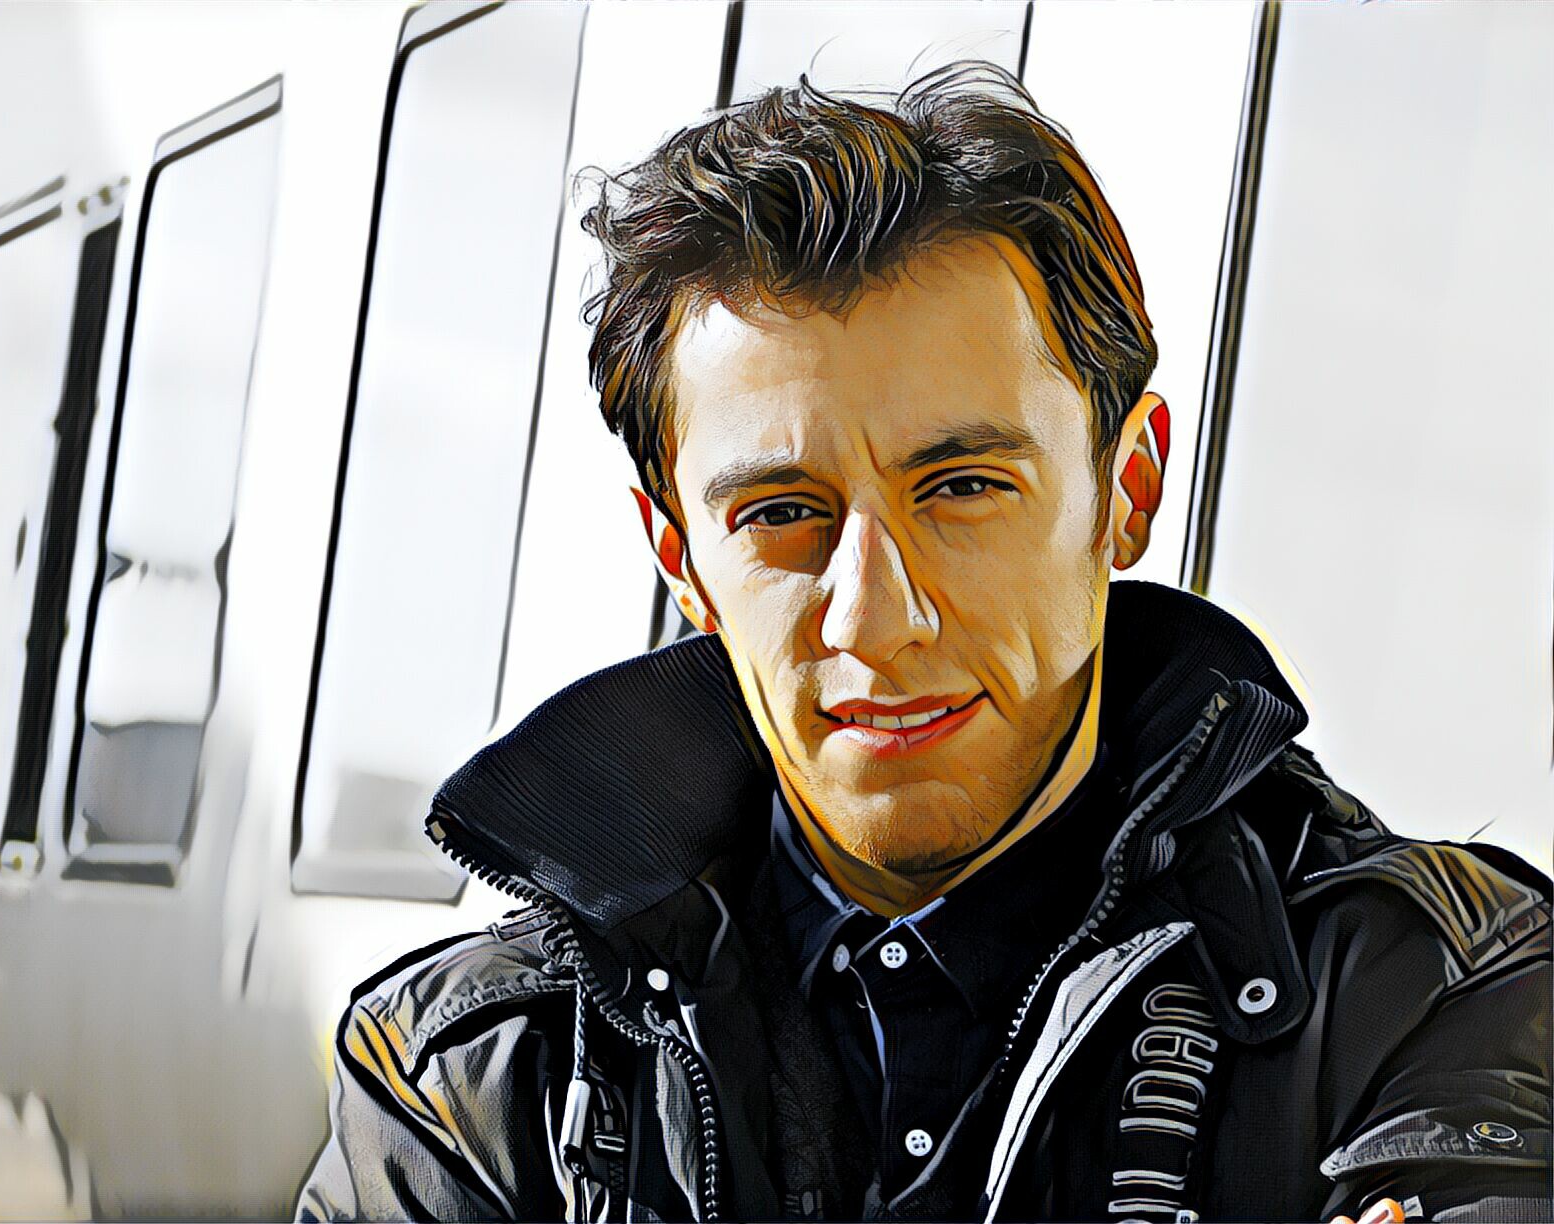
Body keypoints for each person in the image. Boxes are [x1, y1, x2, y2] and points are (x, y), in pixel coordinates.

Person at [296, 64, 1550, 1223]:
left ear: (1127, 488)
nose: (874, 618)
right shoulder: (472, 1078)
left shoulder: (1441, 994)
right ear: (680, 558)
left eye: (961, 488)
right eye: (781, 513)